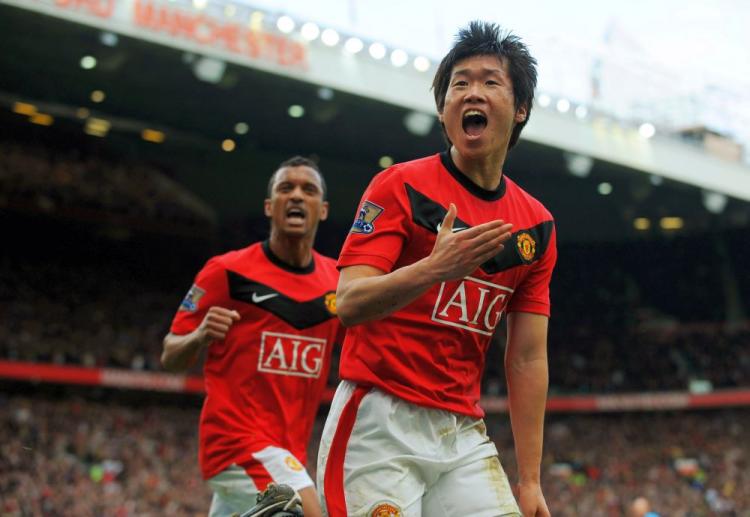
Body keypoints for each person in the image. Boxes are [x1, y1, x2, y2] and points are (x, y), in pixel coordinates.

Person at [317, 21, 556, 517]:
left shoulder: (537, 227)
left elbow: (527, 358)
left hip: (461, 432)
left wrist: (530, 480)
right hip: (377, 421)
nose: (472, 92)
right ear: (444, 109)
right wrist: (434, 268)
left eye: (491, 82)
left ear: (521, 109)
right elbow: (350, 303)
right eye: (459, 84)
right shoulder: (398, 186)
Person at [162, 156, 341, 517]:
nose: (295, 196)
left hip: (289, 449)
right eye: (284, 188)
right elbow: (170, 355)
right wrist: (198, 336)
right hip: (235, 443)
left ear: (322, 210)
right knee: (309, 512)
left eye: (308, 190)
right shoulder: (226, 272)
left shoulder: (337, 282)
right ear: (268, 206)